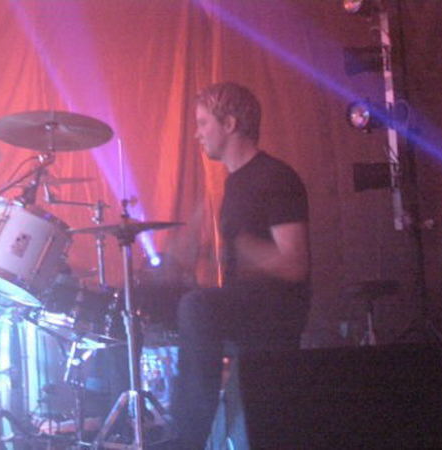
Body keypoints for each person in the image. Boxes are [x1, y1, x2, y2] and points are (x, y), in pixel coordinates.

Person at [171, 82, 311, 449]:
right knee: (176, 299)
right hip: (249, 304)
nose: (198, 133)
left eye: (203, 123)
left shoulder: (275, 177)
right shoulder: (236, 184)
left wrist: (246, 248)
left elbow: (295, 263)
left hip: (276, 311)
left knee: (197, 307)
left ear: (230, 123)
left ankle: (186, 440)